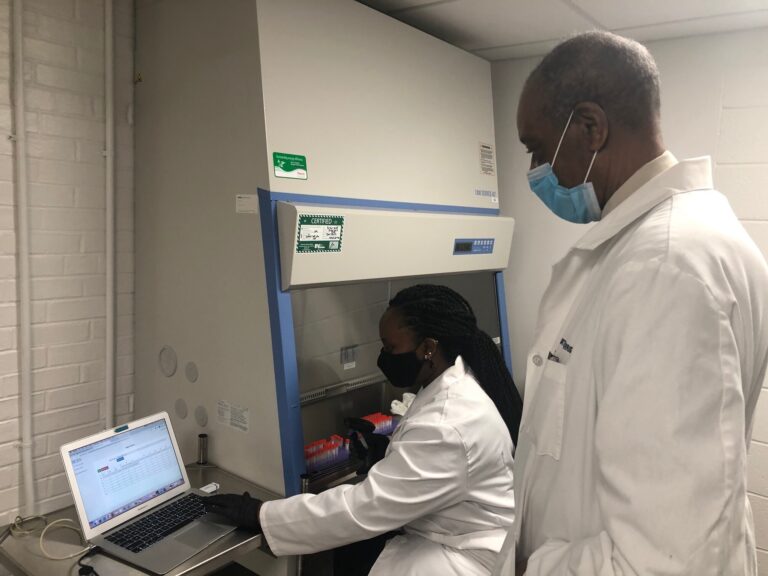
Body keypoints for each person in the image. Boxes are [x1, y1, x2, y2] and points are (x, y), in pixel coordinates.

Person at [499, 31, 768, 575]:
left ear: (590, 127)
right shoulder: (672, 246)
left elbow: (662, 562)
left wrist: (533, 567)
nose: (533, 170)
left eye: (536, 147)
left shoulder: (668, 265)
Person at [206, 284, 523, 575]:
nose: (383, 357)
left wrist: (261, 515)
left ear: (428, 348)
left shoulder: (448, 423)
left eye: (390, 347)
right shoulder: (452, 383)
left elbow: (362, 509)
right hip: (454, 531)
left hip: (460, 555)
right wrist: (386, 453)